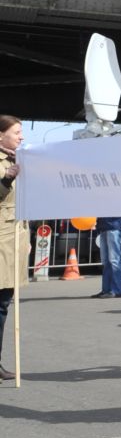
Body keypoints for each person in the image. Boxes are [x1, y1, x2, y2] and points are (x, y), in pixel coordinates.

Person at [0, 114, 21, 383]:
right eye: (17, 132)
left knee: (3, 304)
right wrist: (5, 180)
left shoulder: (18, 159)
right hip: (1, 239)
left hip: (12, 241)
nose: (21, 136)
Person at [93, 215, 121, 298]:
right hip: (104, 226)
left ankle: (117, 290)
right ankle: (106, 290)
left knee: (115, 260)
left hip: (114, 225)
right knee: (106, 261)